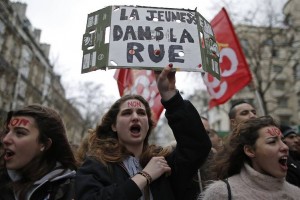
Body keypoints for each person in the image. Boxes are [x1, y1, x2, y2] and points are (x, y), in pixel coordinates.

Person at [75, 65, 212, 200]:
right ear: (114, 126)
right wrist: (145, 175)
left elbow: (197, 146)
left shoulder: (164, 164)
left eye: (141, 113)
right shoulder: (97, 165)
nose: (135, 117)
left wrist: (171, 96)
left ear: (148, 125)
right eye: (127, 113)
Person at [199, 116, 300, 199]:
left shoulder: (296, 194)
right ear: (250, 151)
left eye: (282, 140)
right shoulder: (222, 194)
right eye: (272, 142)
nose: (285, 147)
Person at [0, 104, 77, 200]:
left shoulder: (70, 192)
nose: (5, 139)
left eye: (20, 133)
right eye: (7, 131)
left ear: (44, 144)